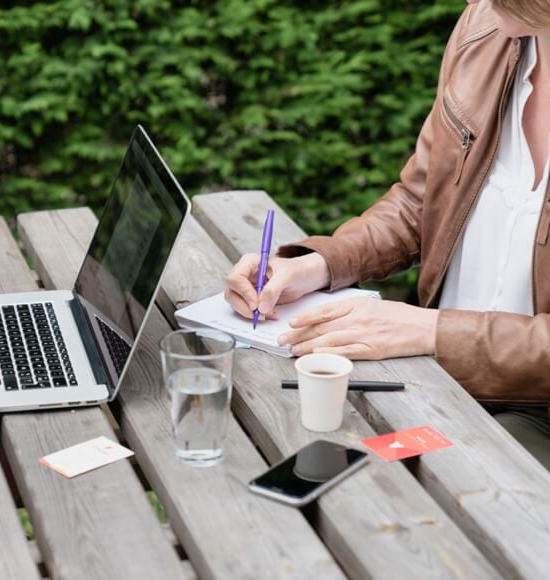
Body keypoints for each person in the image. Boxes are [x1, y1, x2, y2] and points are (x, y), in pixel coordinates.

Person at [225, 0, 550, 470]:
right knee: (292, 451)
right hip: (438, 377)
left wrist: (433, 330)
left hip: (532, 413)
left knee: (410, 499)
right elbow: (423, 199)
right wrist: (319, 264)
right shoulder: (486, 28)